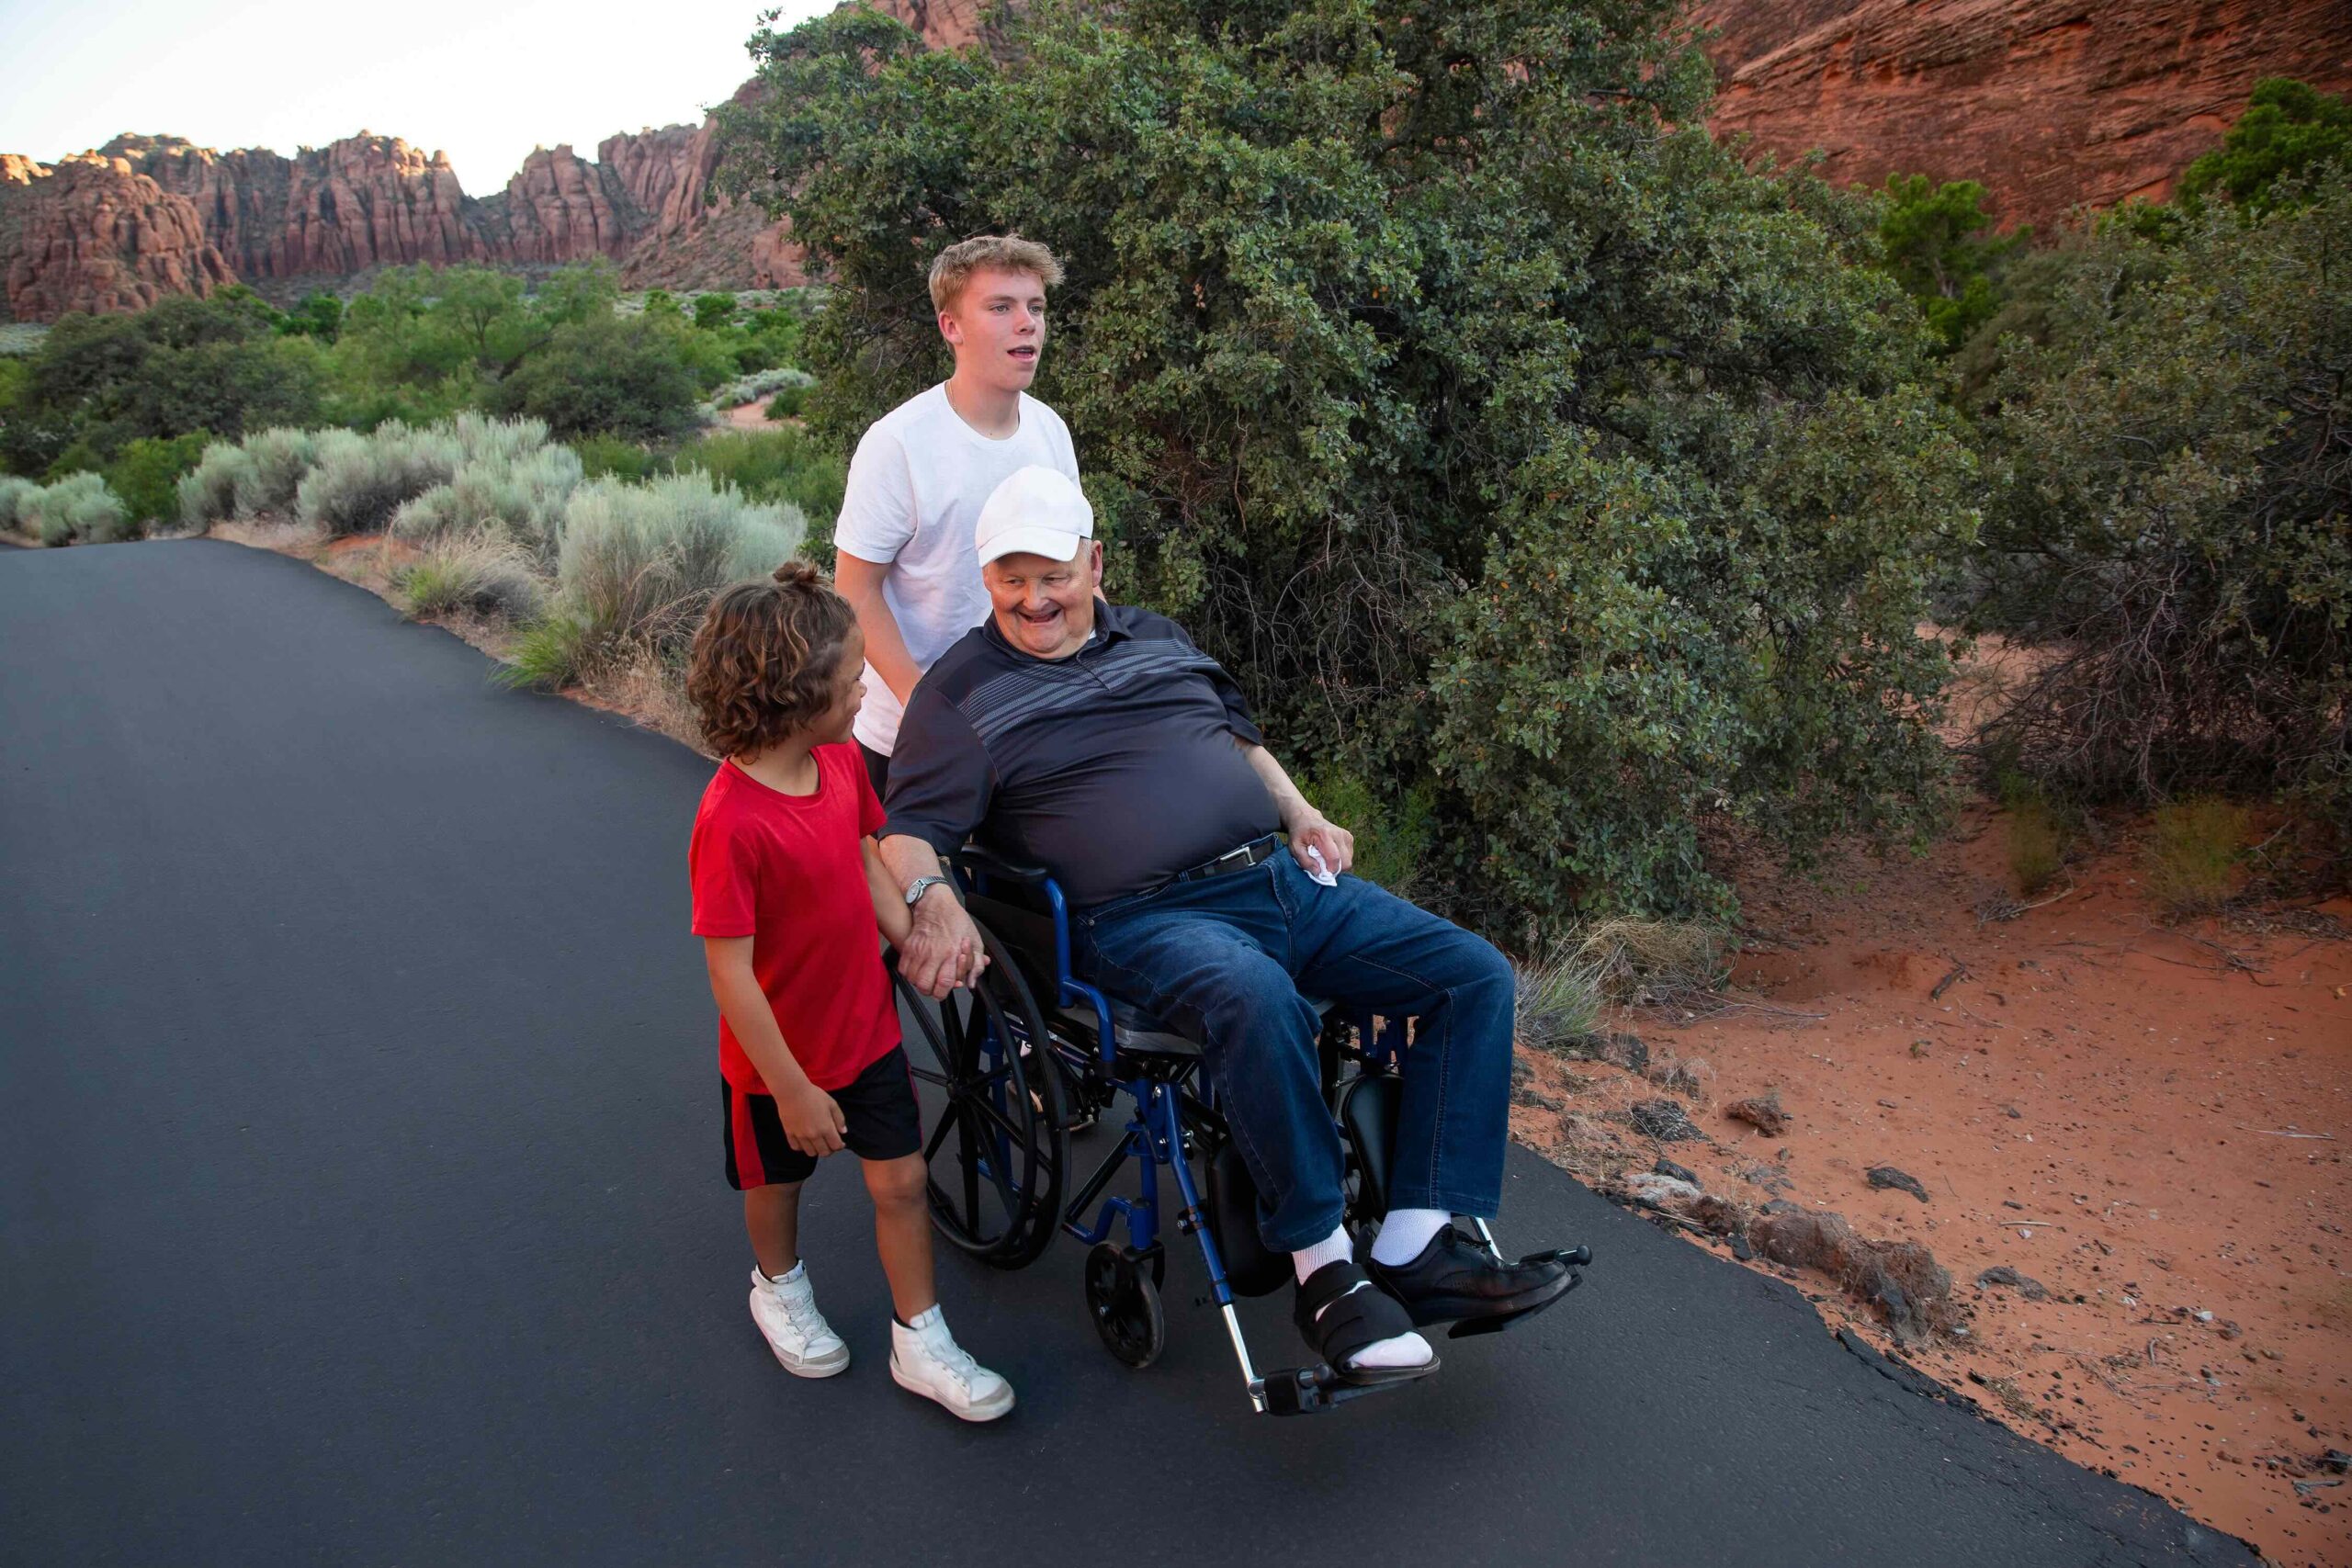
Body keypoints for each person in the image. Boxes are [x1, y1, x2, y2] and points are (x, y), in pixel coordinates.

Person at [876, 468, 1576, 1387]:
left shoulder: (1160, 640)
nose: (1033, 599)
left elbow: (1239, 739)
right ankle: (1323, 1270)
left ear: (1095, 564)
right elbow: (911, 832)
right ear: (987, 580)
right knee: (1257, 999)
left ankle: (1416, 1243)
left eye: (1051, 574)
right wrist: (932, 903)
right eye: (1011, 579)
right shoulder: (961, 692)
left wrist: (1301, 812)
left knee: (1472, 974)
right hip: (1137, 918)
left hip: (1280, 884)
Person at [684, 562, 1012, 1422]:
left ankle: (922, 1336)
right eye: (848, 679)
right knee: (777, 1186)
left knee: (901, 1184)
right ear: (793, 697)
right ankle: (778, 1287)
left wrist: (915, 943)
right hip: (775, 1062)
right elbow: (729, 971)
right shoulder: (730, 821)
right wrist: (790, 1086)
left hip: (863, 1034)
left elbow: (867, 860)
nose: (864, 686)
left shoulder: (837, 766)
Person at [833, 233, 1081, 802]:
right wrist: (927, 709)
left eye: (1036, 307)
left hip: (1026, 721)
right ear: (952, 327)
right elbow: (855, 591)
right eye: (1001, 307)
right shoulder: (897, 443)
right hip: (910, 741)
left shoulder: (1051, 431)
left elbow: (1071, 570)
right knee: (917, 887)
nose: (1028, 324)